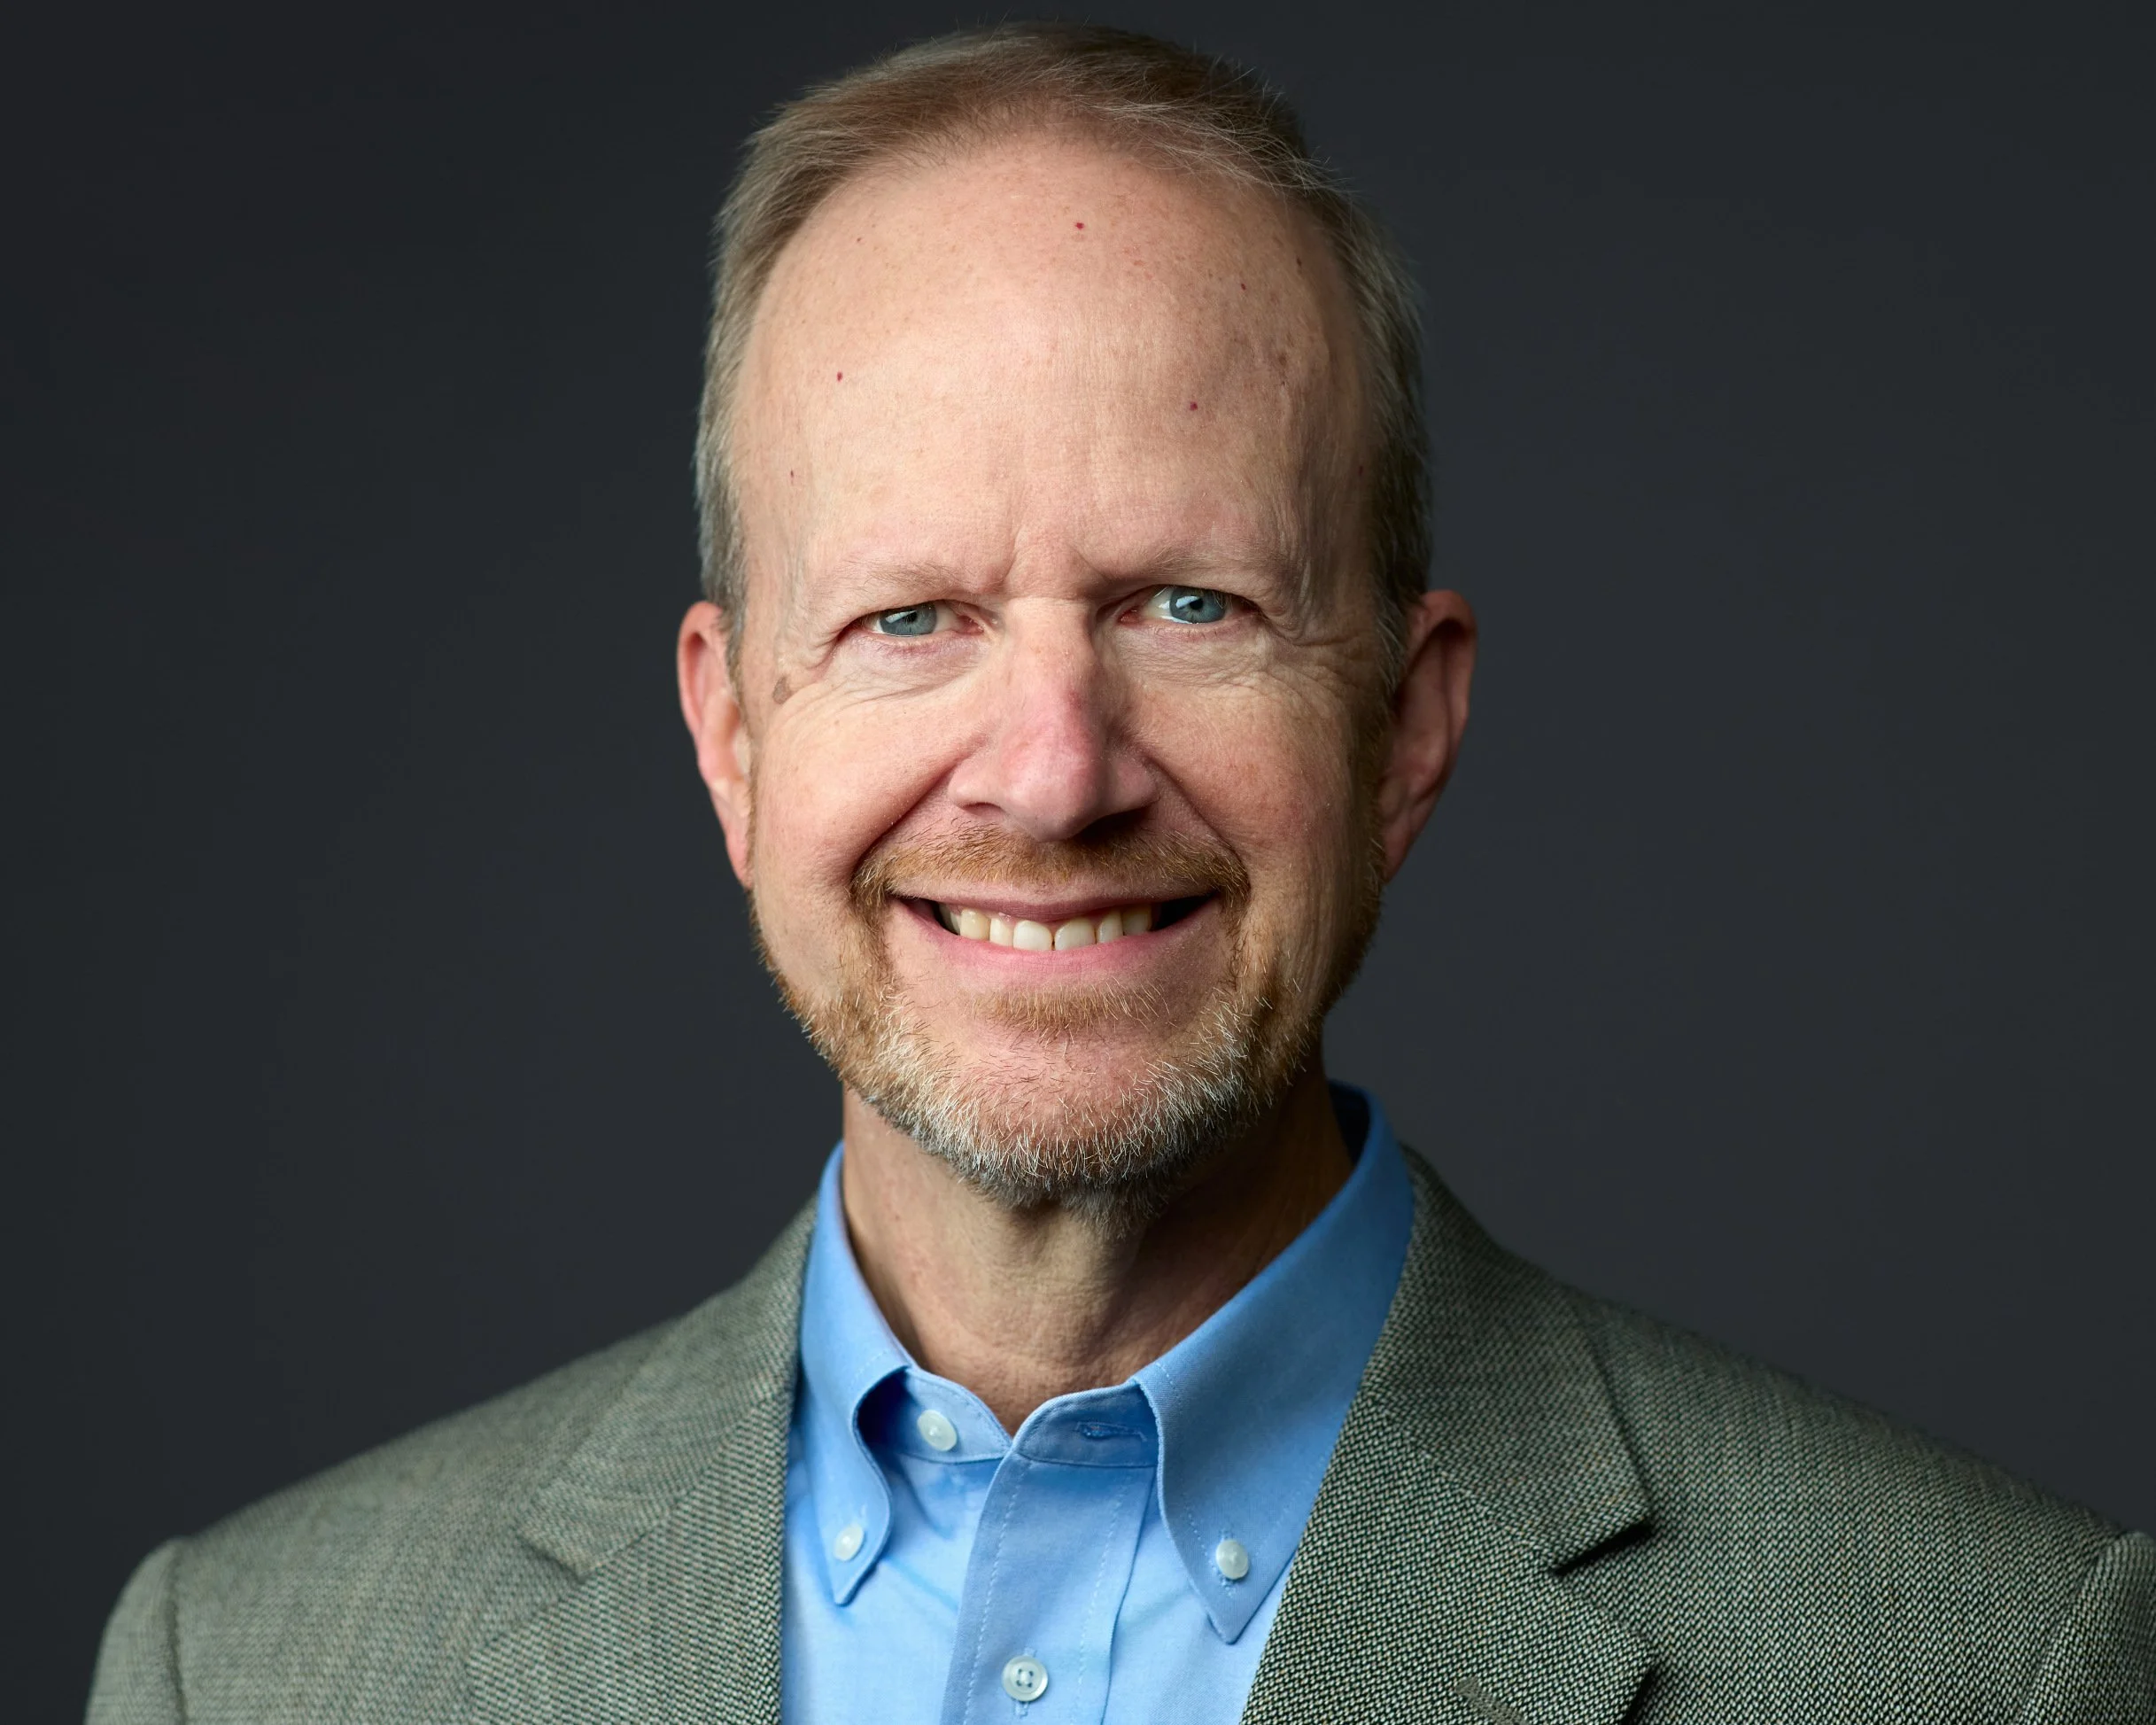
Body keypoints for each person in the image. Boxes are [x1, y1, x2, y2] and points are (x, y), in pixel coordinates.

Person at [87, 23, 2152, 1724]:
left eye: (1186, 602)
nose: (1052, 771)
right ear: (732, 737)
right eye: (909, 618)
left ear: (1405, 728)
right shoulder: (244, 1666)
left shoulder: (1983, 1667)